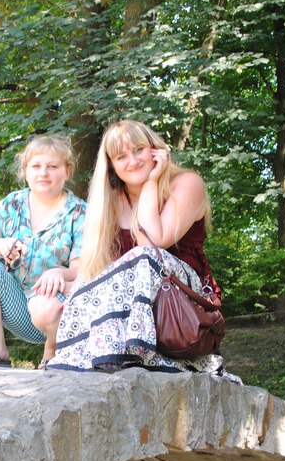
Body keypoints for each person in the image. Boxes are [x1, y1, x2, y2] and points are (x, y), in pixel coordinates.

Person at [47, 119, 223, 373]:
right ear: (112, 166)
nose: (133, 161)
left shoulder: (186, 183)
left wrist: (151, 183)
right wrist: (73, 289)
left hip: (183, 301)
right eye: (121, 156)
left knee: (144, 256)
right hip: (130, 303)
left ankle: (131, 351)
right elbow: (100, 266)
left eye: (139, 150)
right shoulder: (110, 200)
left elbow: (153, 241)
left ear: (155, 150)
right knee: (71, 291)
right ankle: (97, 357)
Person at [0, 134, 86, 369]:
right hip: (17, 305)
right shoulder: (12, 204)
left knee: (46, 304)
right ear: (26, 171)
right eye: (36, 166)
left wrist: (58, 273)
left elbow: (83, 270)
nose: (43, 173)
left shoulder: (79, 212)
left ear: (67, 171)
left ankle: (53, 351)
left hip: (55, 309)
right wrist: (0, 245)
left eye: (52, 166)